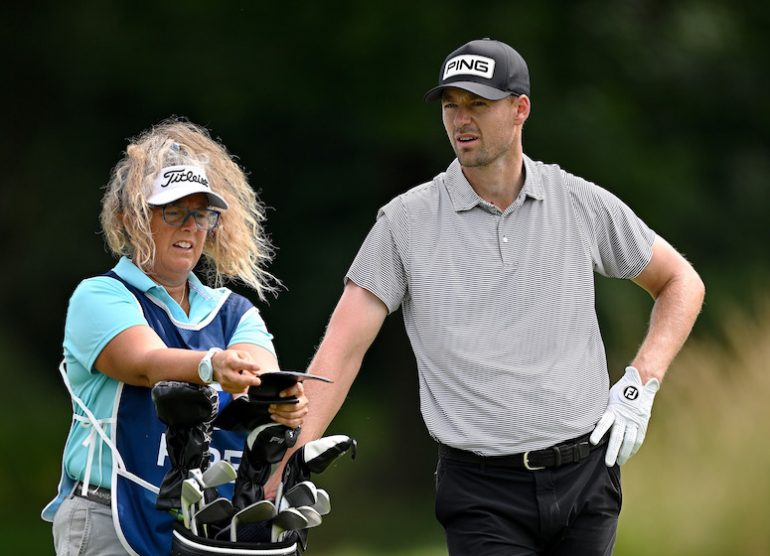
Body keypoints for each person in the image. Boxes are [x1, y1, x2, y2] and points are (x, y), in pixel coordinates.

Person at [280, 38, 705, 555]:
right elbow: (342, 349)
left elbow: (681, 281)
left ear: (520, 109)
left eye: (478, 104)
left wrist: (641, 382)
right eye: (450, 105)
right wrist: (287, 465)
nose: (461, 119)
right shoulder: (404, 223)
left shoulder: (576, 202)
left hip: (586, 479)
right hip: (482, 492)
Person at [42, 118, 309, 555]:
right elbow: (145, 363)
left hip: (203, 522)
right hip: (108, 515)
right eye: (173, 210)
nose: (190, 226)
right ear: (130, 219)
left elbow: (259, 374)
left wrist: (281, 401)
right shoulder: (100, 296)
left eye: (201, 213)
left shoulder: (233, 311)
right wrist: (211, 366)